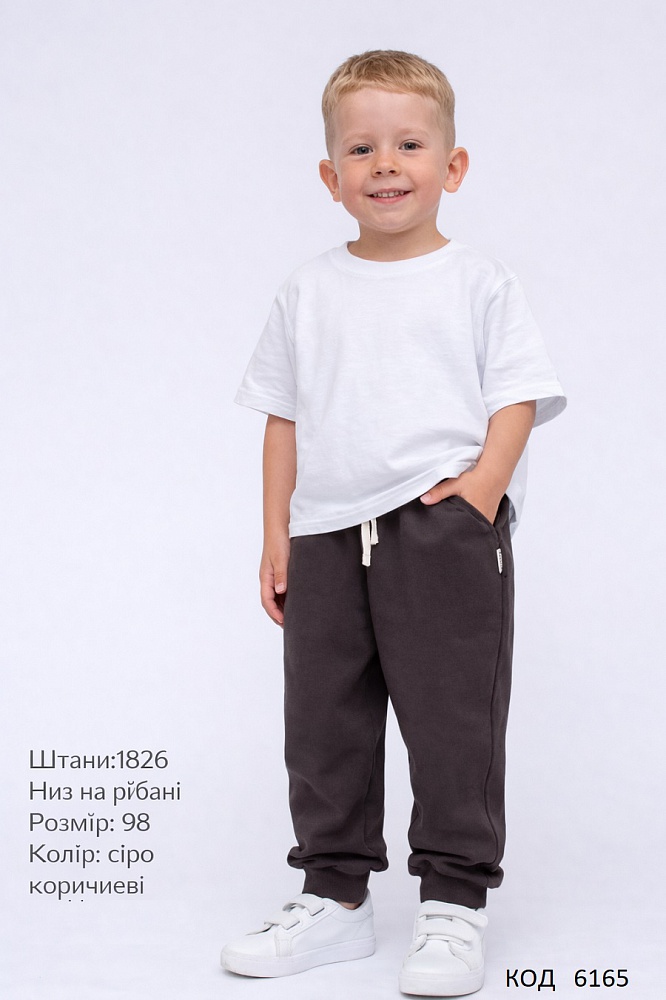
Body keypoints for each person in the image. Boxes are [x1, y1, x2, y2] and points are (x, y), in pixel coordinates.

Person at [223, 49, 566, 997]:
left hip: (440, 528)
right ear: (330, 176)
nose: (385, 165)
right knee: (322, 723)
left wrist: (482, 493)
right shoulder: (307, 290)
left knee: (453, 720)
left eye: (409, 145)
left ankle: (454, 903)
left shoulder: (478, 281)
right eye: (361, 149)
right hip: (327, 536)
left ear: (452, 165)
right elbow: (283, 418)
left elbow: (519, 394)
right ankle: (335, 898)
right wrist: (278, 535)